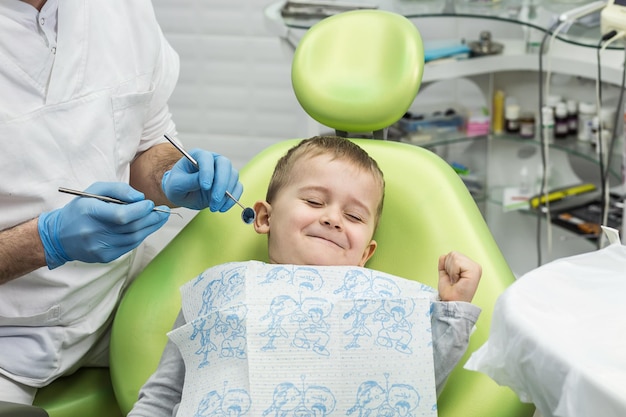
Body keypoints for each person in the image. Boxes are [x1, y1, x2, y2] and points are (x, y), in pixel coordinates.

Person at [128, 136, 482, 416]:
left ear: (365, 254)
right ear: (264, 218)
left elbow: (415, 388)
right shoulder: (221, 290)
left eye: (355, 217)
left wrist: (452, 311)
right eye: (314, 202)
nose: (333, 219)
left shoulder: (377, 306)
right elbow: (166, 394)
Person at [0, 0, 242, 404]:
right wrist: (45, 241)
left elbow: (148, 141)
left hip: (120, 302)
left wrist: (169, 177)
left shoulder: (120, 8)